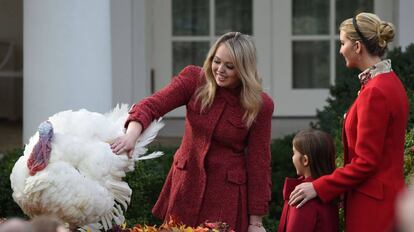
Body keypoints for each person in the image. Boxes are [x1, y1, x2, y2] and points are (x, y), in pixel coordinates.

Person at [111, 32, 274, 232]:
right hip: (185, 187)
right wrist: (131, 136)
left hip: (227, 196)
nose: (220, 70)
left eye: (230, 66)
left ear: (244, 69)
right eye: (217, 61)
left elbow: (259, 163)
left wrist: (255, 223)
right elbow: (151, 106)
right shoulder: (193, 80)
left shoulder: (260, 105)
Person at [288, 12, 409, 232]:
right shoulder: (388, 82)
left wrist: (318, 186)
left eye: (343, 43)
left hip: (373, 207)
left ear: (358, 46)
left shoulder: (376, 91)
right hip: (384, 199)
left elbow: (365, 162)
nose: (340, 49)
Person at [277, 129, 338, 232]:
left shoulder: (302, 196)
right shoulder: (329, 193)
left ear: (305, 160)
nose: (292, 158)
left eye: (294, 153)